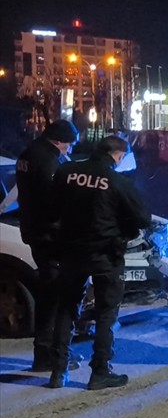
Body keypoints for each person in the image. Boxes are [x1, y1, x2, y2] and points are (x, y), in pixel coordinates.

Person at [46, 135, 150, 390]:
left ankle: (58, 372)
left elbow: (51, 209)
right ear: (118, 156)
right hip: (105, 254)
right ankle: (100, 371)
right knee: (106, 314)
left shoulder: (67, 172)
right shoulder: (117, 181)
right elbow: (142, 218)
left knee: (67, 308)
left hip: (70, 251)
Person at [14, 119, 78, 372]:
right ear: (59, 141)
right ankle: (47, 354)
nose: (70, 151)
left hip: (34, 230)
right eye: (69, 145)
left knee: (48, 292)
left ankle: (47, 352)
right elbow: (55, 198)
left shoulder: (29, 153)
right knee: (53, 295)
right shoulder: (48, 160)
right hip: (49, 235)